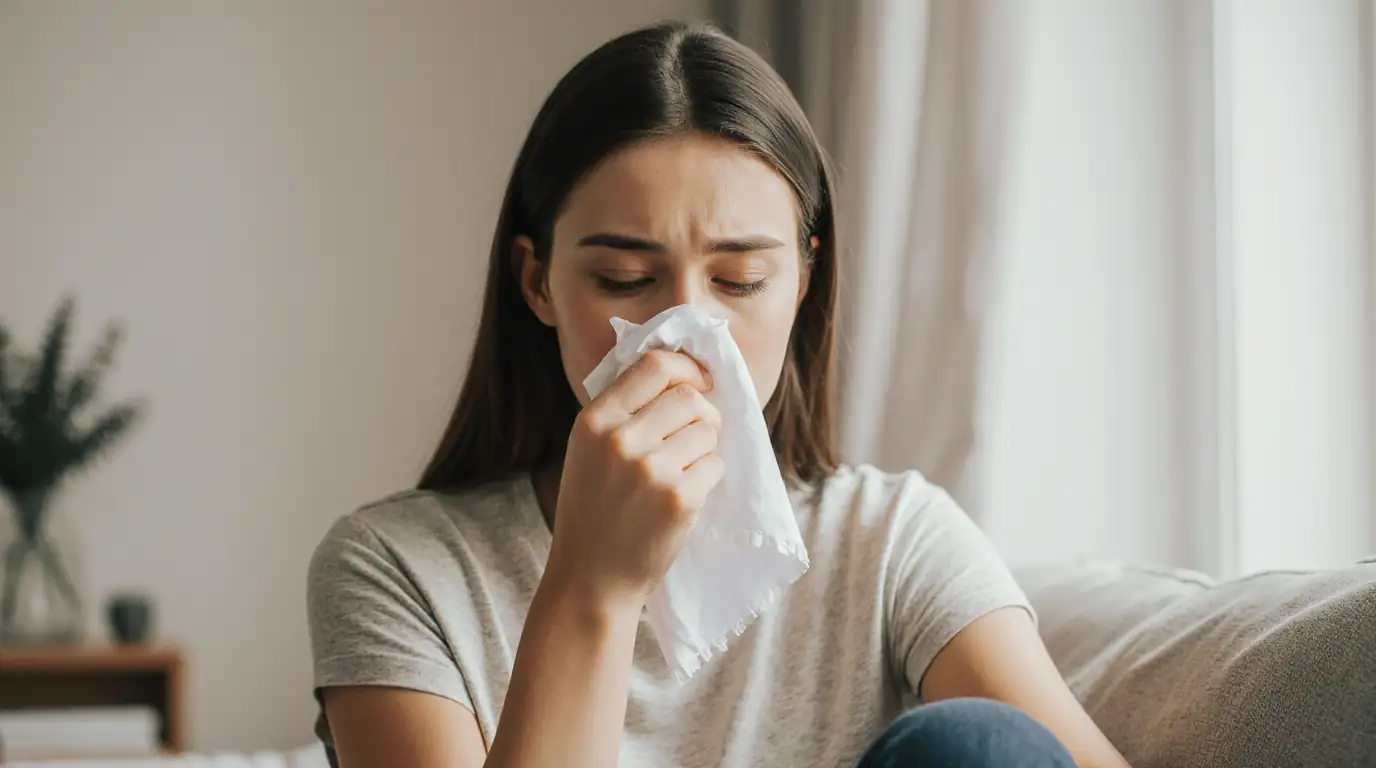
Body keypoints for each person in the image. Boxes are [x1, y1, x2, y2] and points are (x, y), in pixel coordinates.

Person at [306, 20, 1130, 768]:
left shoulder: (889, 542)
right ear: (539, 283)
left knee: (976, 744)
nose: (686, 333)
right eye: (624, 279)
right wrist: (594, 582)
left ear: (802, 282)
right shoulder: (394, 567)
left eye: (740, 280)